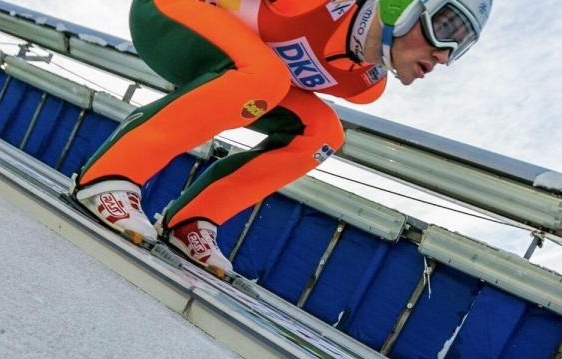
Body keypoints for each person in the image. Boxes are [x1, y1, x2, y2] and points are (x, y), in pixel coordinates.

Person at [73, 0, 491, 278]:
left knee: (323, 132)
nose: (444, 55)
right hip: (170, 16)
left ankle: (191, 221)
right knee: (267, 76)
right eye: (446, 27)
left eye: (461, 47)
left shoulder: (365, 84)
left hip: (231, 66)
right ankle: (108, 177)